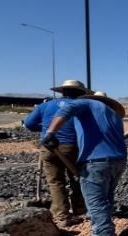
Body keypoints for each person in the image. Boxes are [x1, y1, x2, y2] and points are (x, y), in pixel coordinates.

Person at [41, 91, 128, 236]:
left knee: (95, 204)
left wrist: (50, 132)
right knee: (105, 200)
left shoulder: (86, 104)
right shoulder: (114, 115)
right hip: (118, 160)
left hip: (95, 161)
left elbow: (67, 109)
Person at [23, 79, 90, 228]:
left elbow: (28, 124)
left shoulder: (46, 106)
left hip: (49, 147)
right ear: (81, 94)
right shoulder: (82, 107)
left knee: (55, 181)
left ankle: (62, 216)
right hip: (73, 147)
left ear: (62, 92)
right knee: (78, 178)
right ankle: (81, 209)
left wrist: (45, 128)